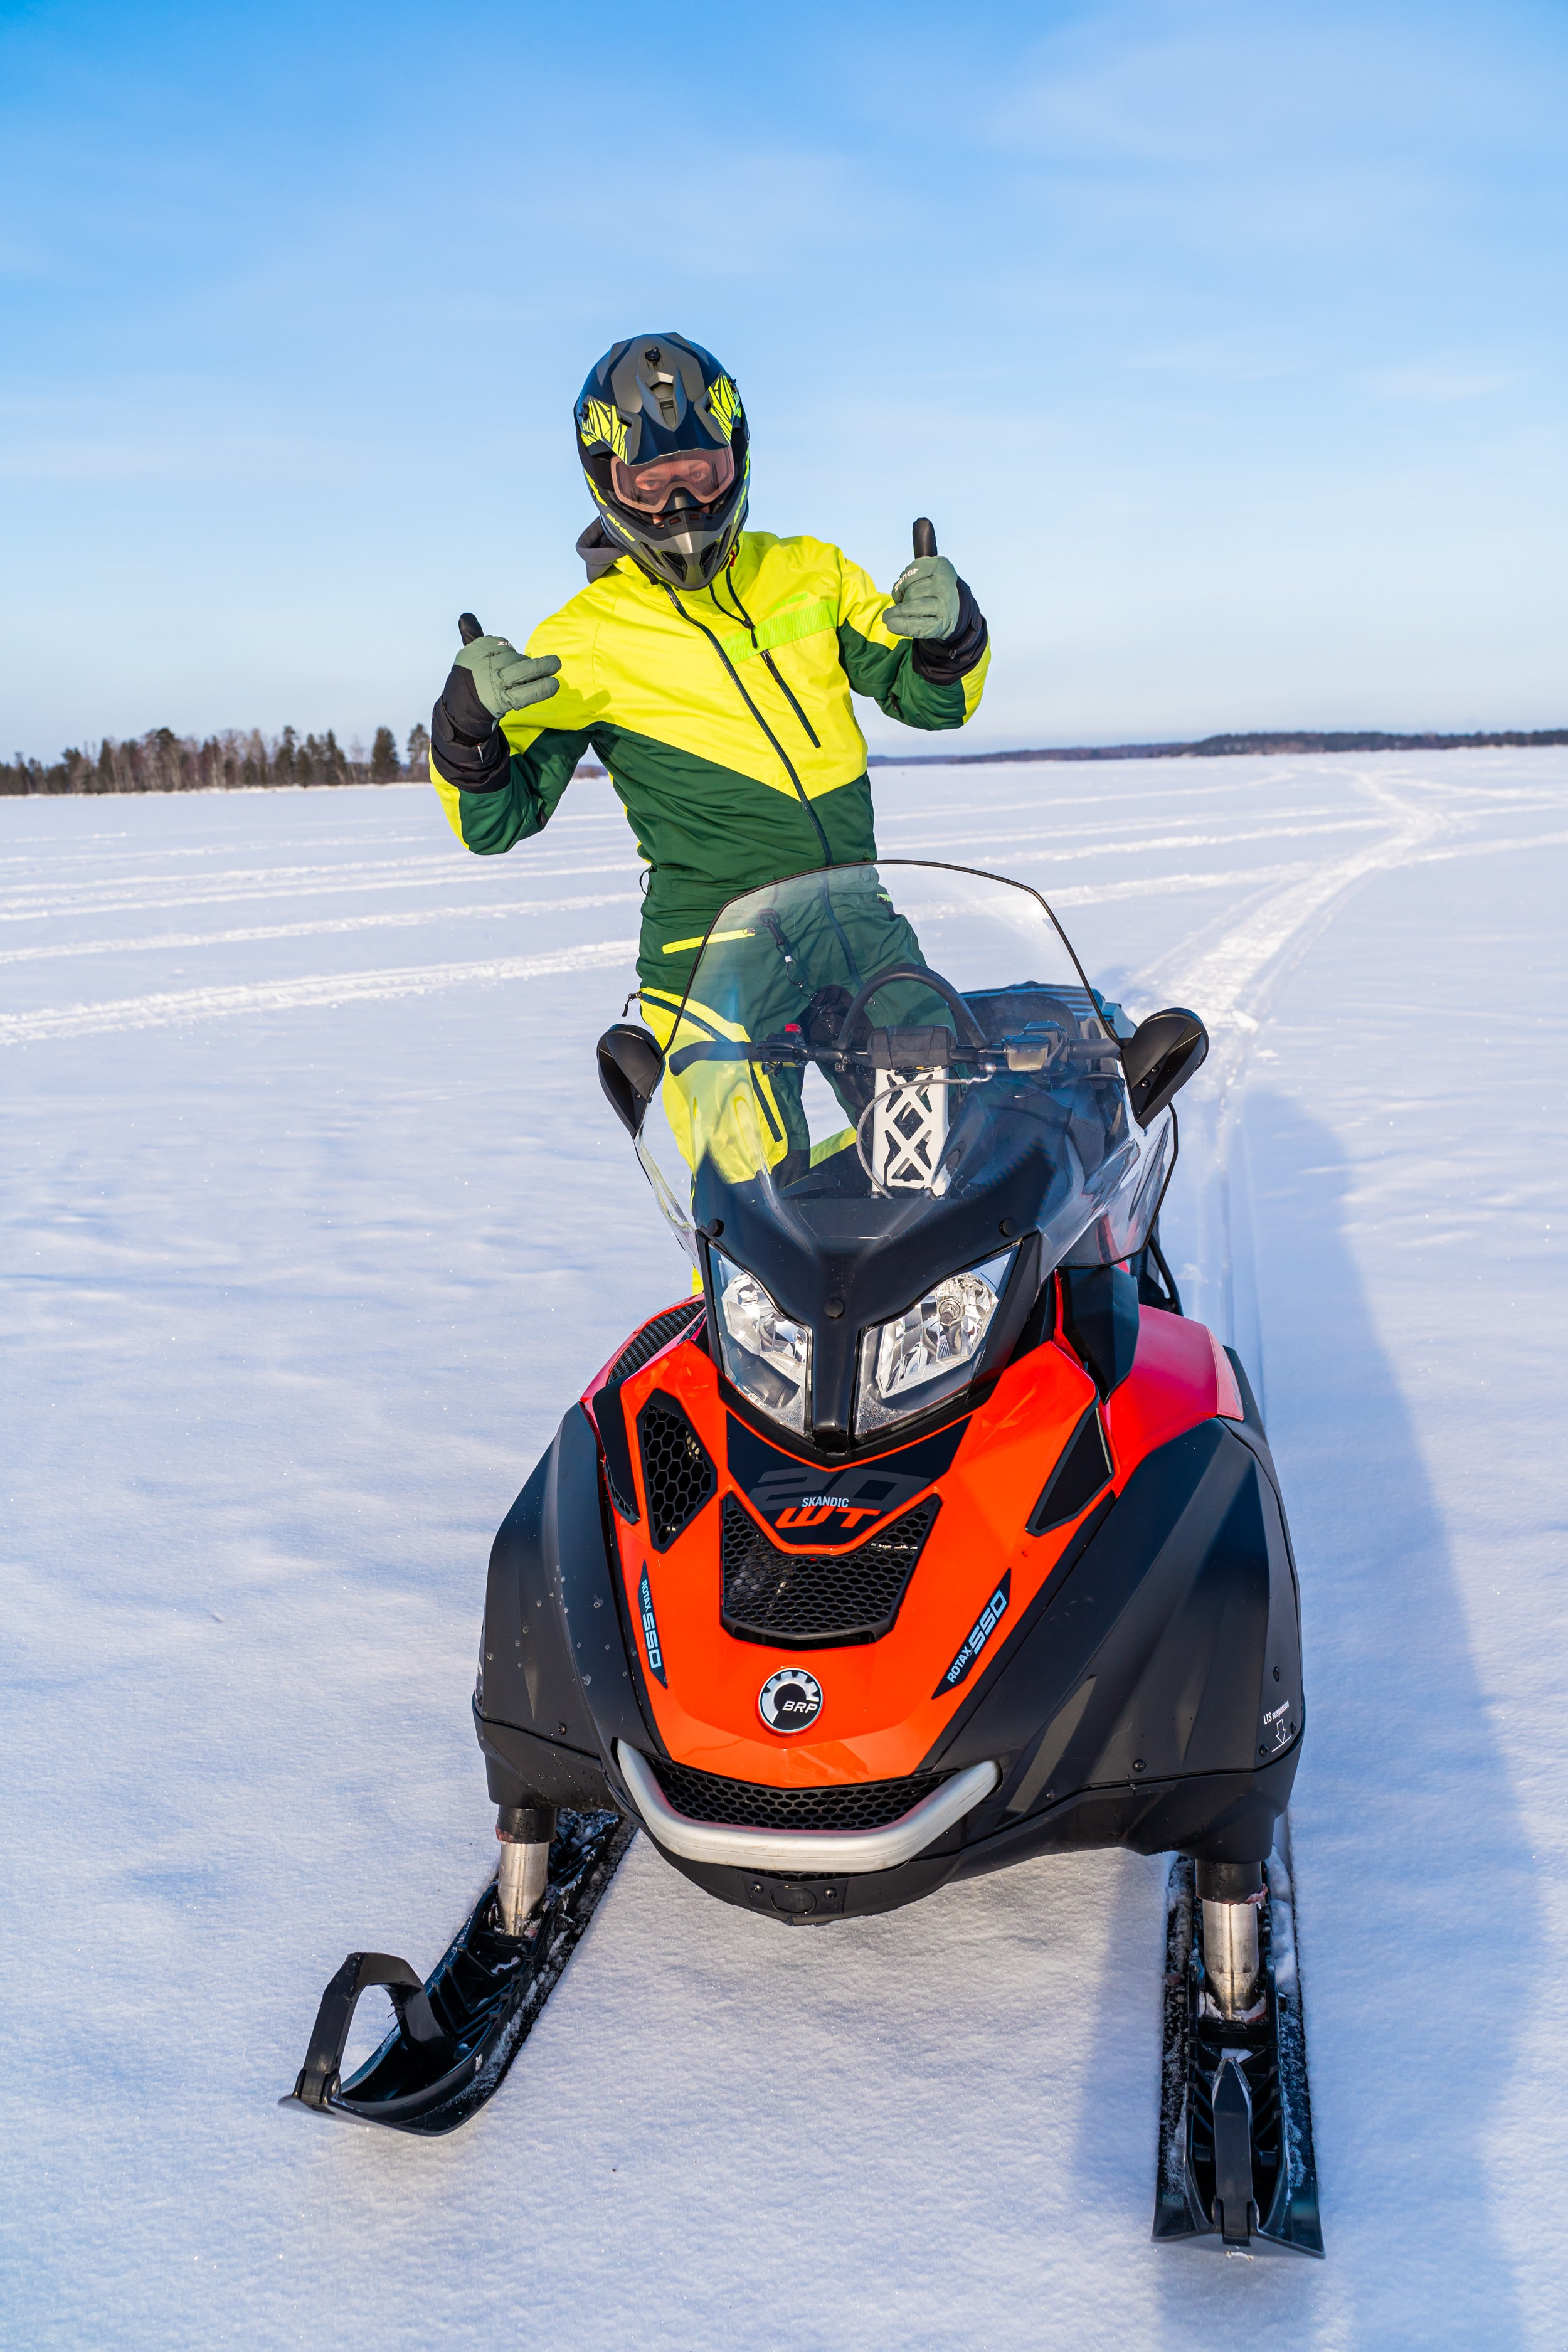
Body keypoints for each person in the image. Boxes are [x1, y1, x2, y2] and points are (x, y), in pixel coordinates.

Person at [426, 333, 991, 1059]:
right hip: (709, 952)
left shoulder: (812, 573)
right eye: (651, 484)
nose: (683, 502)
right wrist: (465, 729)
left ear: (738, 457)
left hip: (856, 921)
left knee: (947, 1103)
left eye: (699, 470)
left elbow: (931, 704)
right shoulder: (583, 638)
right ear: (607, 481)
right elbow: (495, 824)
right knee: (746, 1163)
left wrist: (950, 637)